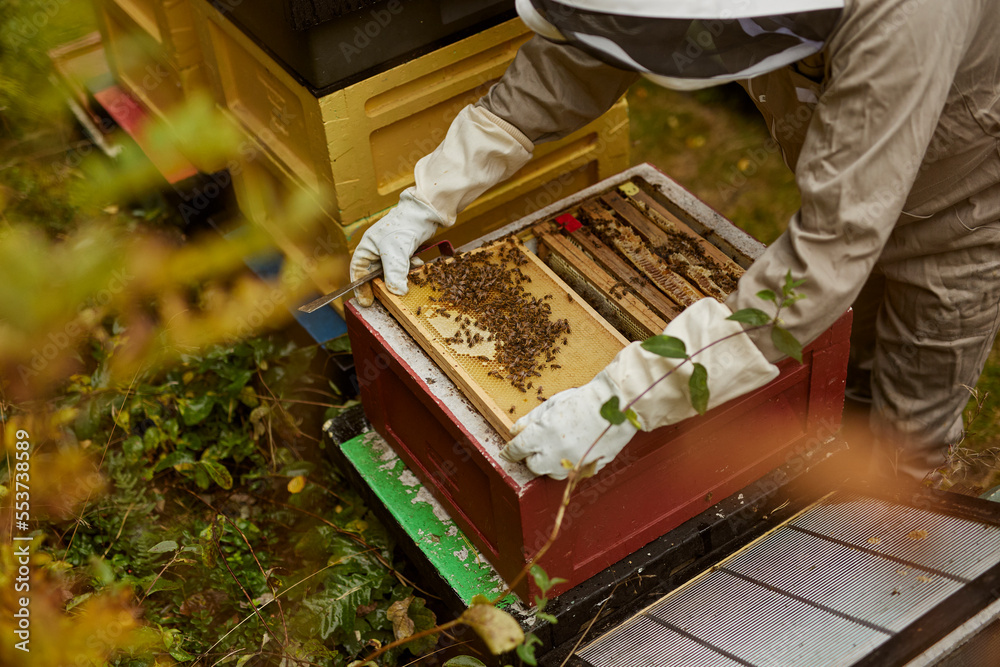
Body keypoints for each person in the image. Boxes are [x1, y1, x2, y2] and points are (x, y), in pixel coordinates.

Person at [349, 0, 1000, 481]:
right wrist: (430, 197)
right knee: (841, 370)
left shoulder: (909, 15)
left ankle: (897, 570)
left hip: (959, 211)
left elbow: (826, 257)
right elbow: (582, 54)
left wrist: (625, 398)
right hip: (856, 186)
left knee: (909, 429)